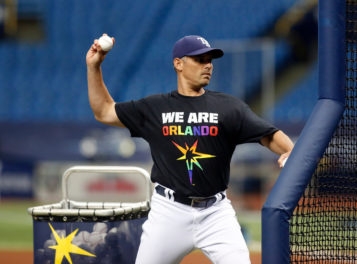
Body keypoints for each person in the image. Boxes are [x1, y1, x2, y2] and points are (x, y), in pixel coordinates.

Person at [86, 34, 294, 264]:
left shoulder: (229, 107)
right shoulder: (155, 107)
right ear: (178, 64)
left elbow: (269, 135)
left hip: (216, 214)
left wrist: (290, 150)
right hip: (168, 212)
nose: (208, 65)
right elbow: (104, 111)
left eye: (210, 60)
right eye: (199, 59)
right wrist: (94, 66)